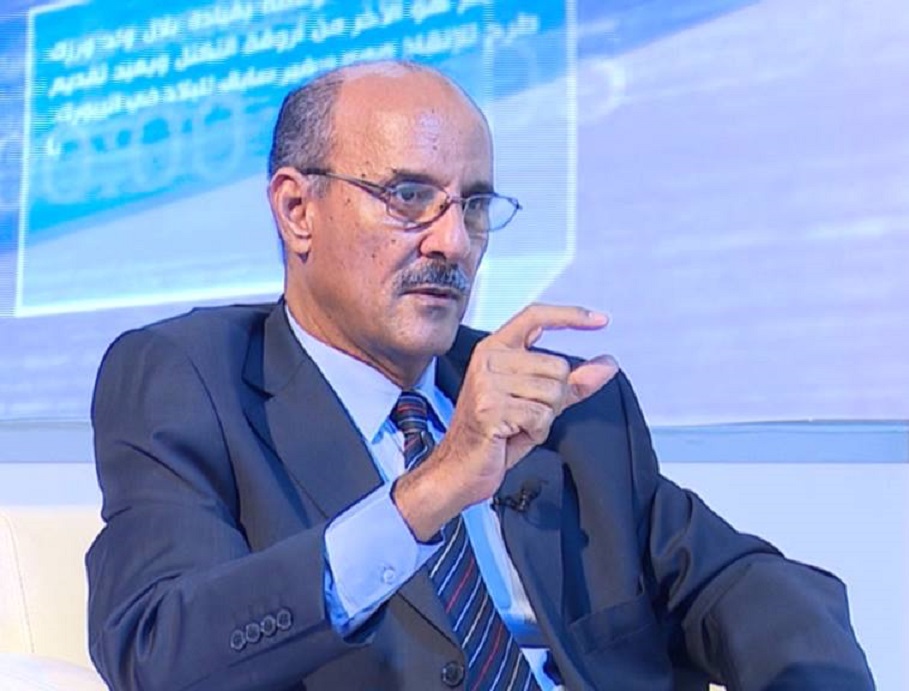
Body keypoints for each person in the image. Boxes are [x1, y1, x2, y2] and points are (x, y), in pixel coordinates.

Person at [86, 60, 874, 691]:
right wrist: (430, 491)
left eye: (473, 206)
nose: (453, 242)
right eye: (408, 197)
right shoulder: (191, 381)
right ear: (298, 209)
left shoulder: (559, 402)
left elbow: (741, 582)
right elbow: (158, 651)